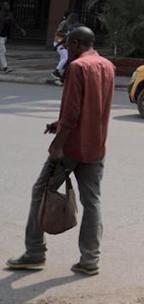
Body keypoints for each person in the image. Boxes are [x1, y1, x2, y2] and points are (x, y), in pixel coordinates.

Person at [7, 26, 116, 276]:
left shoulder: (78, 68)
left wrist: (57, 144)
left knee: (40, 191)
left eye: (67, 44)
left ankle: (34, 252)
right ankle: (90, 259)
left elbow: (72, 112)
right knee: (92, 201)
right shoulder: (107, 66)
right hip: (96, 145)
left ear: (77, 43)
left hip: (71, 146)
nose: (65, 48)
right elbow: (94, 106)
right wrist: (58, 125)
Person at [0, 2, 23, 74]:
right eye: (6, 5)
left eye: (8, 5)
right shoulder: (0, 14)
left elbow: (14, 23)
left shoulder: (10, 14)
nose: (8, 6)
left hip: (5, 36)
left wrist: (20, 29)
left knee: (1, 51)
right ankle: (5, 67)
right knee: (2, 51)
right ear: (3, 6)